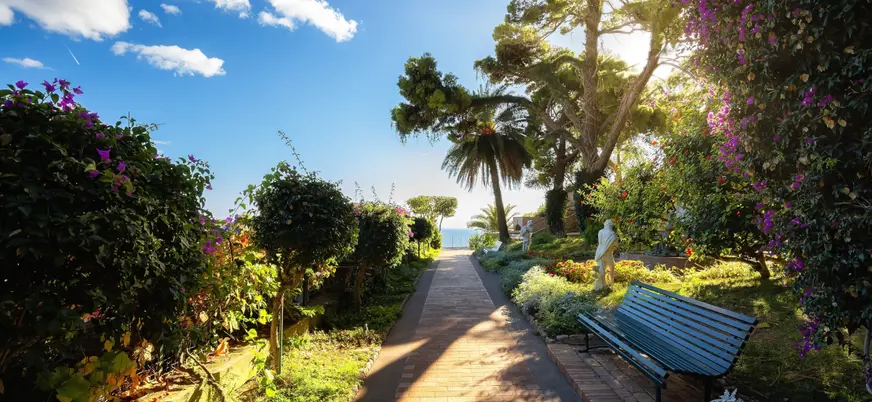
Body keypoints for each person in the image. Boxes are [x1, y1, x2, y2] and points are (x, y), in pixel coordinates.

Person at [593, 219, 619, 291]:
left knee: (601, 269)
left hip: (600, 253)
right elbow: (616, 246)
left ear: (605, 225)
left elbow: (600, 242)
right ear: (611, 225)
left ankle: (603, 285)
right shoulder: (613, 235)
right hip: (608, 254)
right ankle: (611, 285)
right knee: (611, 270)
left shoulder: (600, 232)